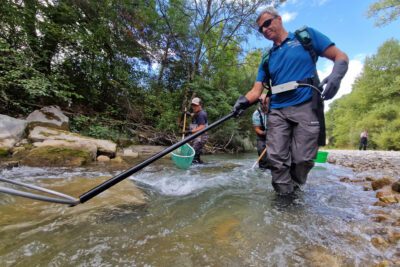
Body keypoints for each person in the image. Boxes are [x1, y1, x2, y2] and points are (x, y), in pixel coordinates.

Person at [231, 7, 348, 195]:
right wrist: (241, 102)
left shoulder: (305, 37)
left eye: (267, 23)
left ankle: (296, 187)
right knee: (276, 159)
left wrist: (337, 75)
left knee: (303, 159)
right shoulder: (267, 58)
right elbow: (256, 90)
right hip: (277, 110)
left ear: (279, 19)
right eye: (261, 29)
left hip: (307, 105)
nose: (265, 29)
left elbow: (340, 56)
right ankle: (283, 198)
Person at [184, 97, 208, 164]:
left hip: (200, 138)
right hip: (197, 137)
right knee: (196, 155)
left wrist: (190, 131)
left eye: (196, 105)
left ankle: (195, 170)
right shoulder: (197, 113)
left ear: (200, 106)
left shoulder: (201, 114)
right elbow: (194, 115)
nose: (194, 107)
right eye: (193, 105)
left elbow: (201, 127)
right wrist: (189, 114)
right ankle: (200, 165)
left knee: (193, 154)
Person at [252, 94, 269, 169]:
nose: (266, 105)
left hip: (275, 134)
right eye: (264, 103)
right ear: (260, 103)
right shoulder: (256, 114)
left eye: (267, 103)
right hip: (262, 136)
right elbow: (256, 129)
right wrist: (264, 133)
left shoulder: (275, 111)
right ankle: (263, 169)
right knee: (261, 152)